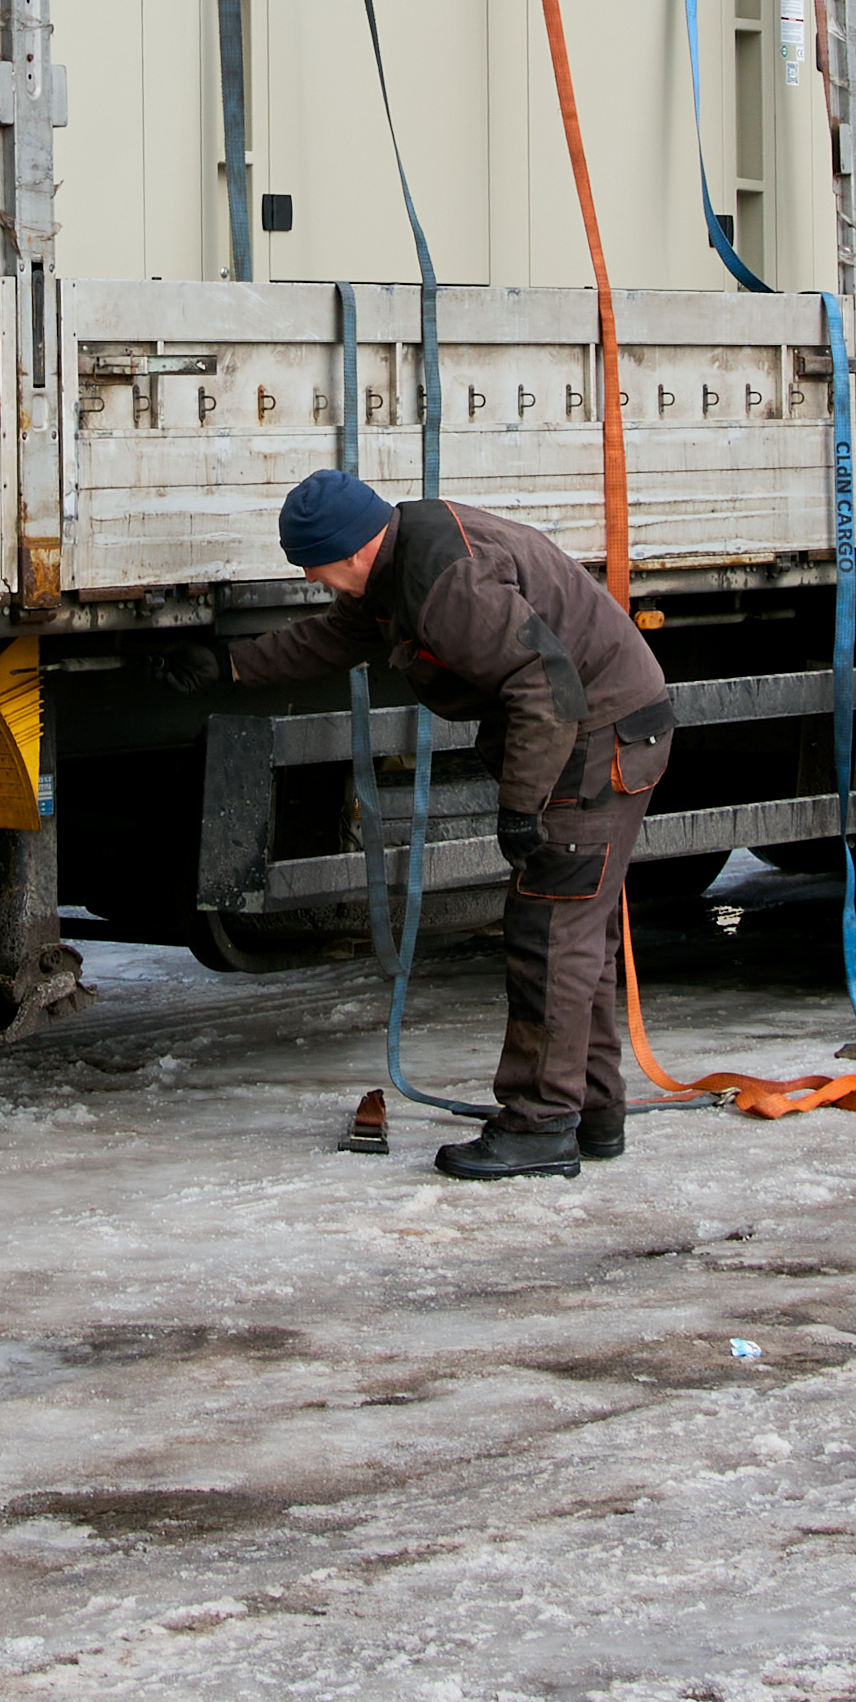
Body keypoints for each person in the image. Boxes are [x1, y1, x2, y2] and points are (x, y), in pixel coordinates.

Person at [236, 468, 675, 1179]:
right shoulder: (398, 559)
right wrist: (226, 665)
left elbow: (542, 684)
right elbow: (329, 638)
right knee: (574, 934)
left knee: (549, 934)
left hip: (596, 738)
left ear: (347, 550)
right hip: (594, 729)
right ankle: (588, 1111)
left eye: (312, 566)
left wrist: (520, 807)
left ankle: (540, 1125)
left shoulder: (446, 583)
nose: (313, 579)